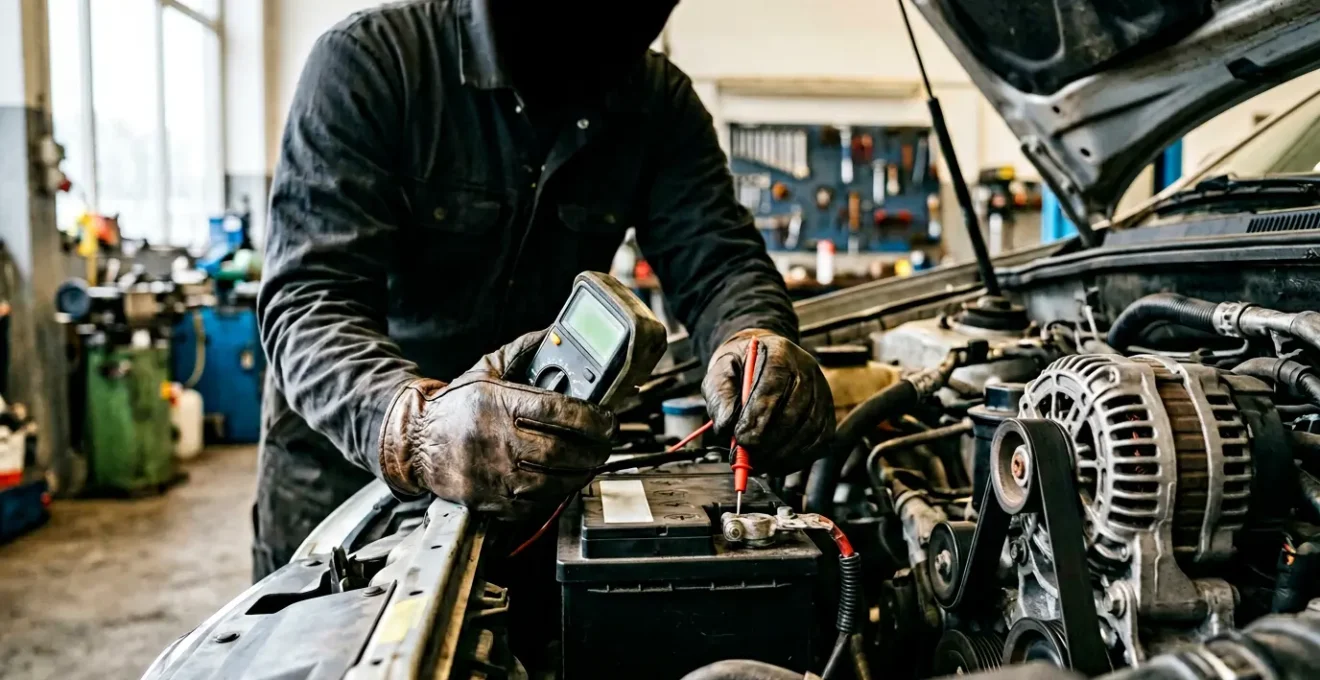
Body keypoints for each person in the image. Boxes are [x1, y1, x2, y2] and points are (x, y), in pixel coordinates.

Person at [255, 0, 835, 579]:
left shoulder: (656, 100)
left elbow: (721, 265)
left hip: (533, 485)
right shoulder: (372, 62)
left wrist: (754, 338)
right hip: (347, 488)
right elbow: (309, 303)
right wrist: (417, 430)